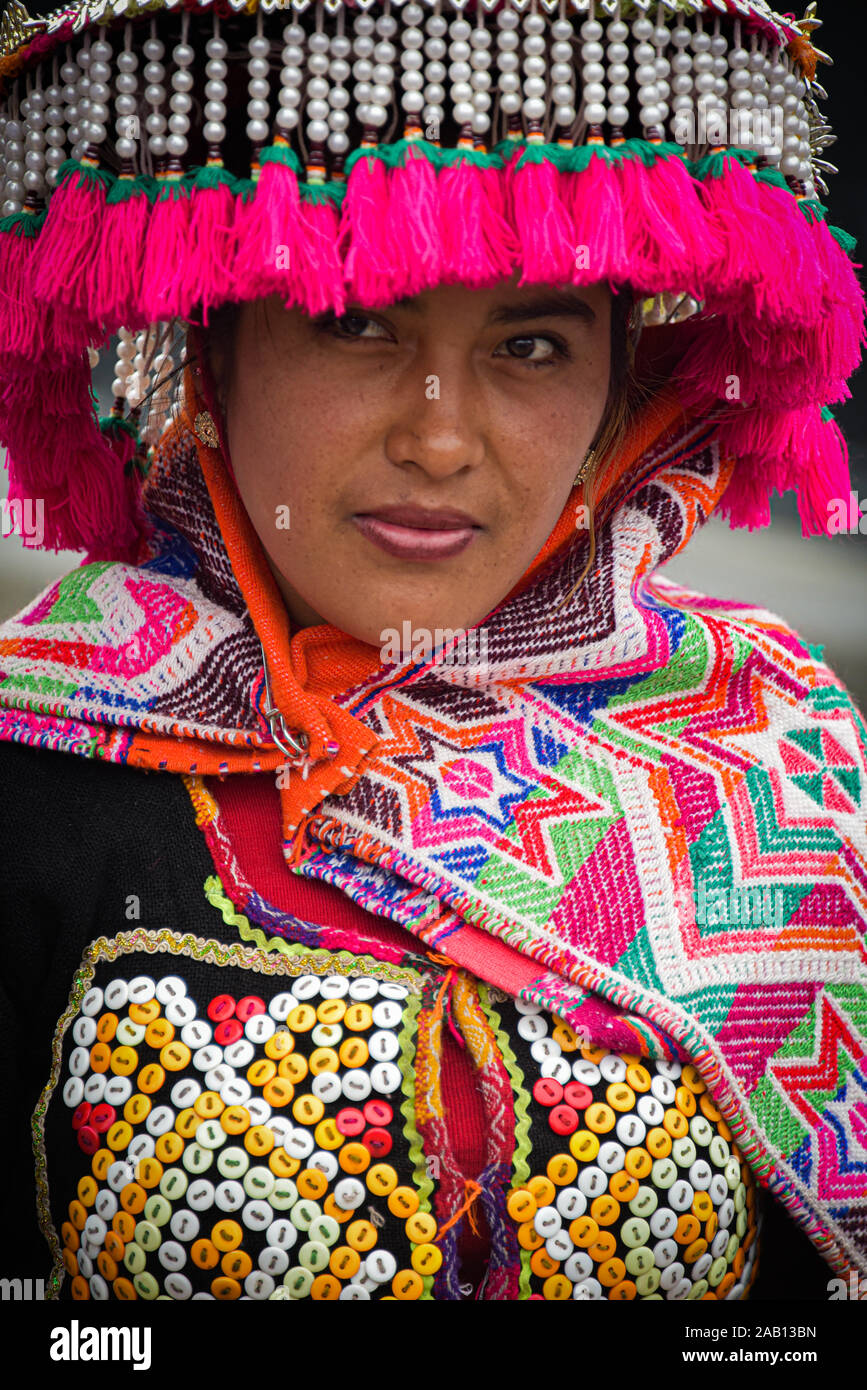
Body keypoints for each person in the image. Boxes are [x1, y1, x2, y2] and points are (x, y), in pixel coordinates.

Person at [0, 0, 864, 1303]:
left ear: (619, 383)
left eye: (530, 345)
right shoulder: (33, 763)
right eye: (359, 321)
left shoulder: (772, 752)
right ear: (210, 349)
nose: (443, 441)